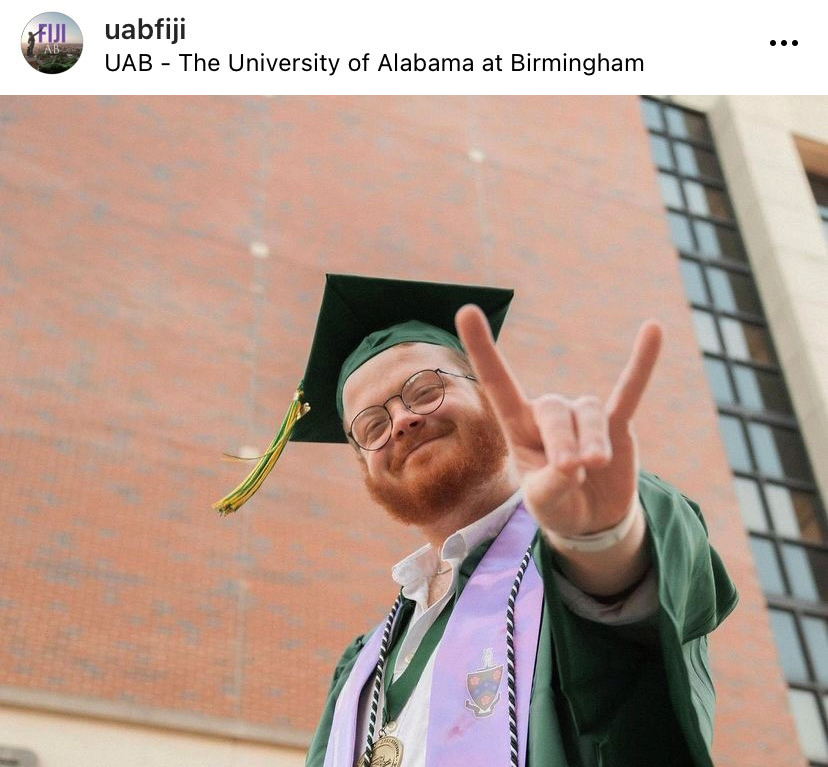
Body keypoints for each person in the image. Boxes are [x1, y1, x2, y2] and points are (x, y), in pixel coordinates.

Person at [214, 274, 738, 767]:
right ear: (363, 465)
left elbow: (634, 626)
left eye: (424, 390)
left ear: (486, 390)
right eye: (372, 424)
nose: (403, 422)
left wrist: (599, 541)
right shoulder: (362, 668)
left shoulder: (564, 559)